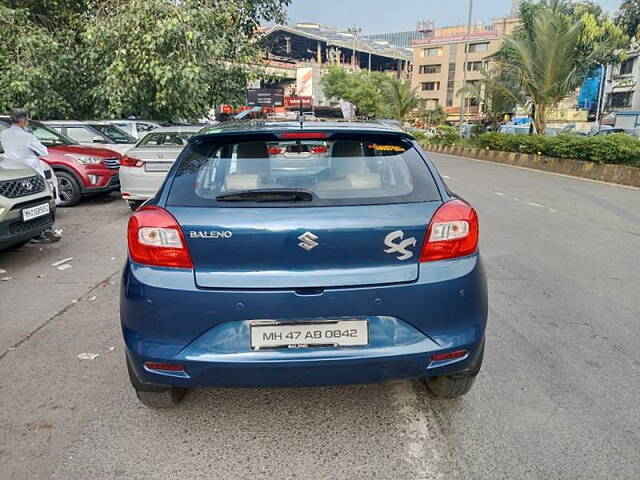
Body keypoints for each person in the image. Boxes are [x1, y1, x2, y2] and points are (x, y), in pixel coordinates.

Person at [0, 108, 62, 243]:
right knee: (37, 204)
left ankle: (33, 232)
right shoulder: (27, 136)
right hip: (32, 174)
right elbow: (44, 152)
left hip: (13, 172)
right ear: (23, 120)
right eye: (27, 119)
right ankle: (41, 233)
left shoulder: (4, 133)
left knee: (24, 207)